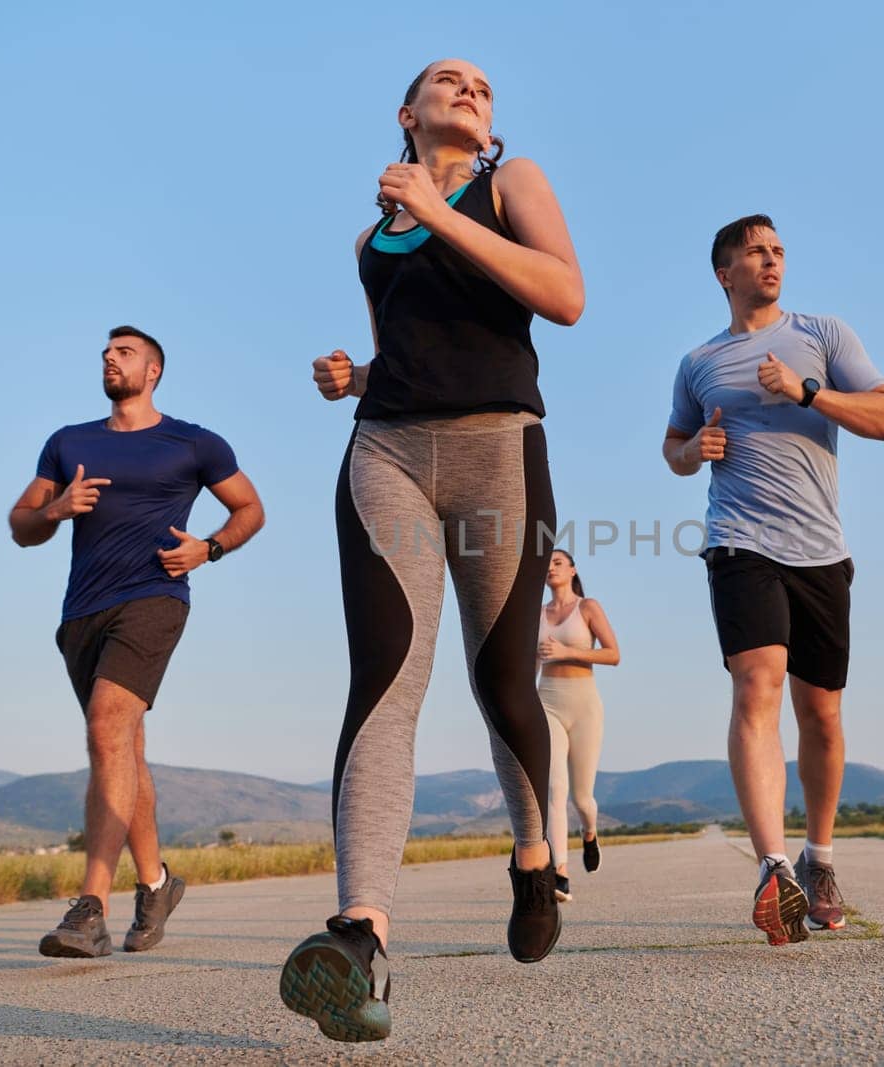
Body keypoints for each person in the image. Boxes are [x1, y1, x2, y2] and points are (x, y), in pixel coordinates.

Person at [279, 58, 584, 1043]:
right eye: (448, 82)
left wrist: (439, 207)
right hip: (388, 450)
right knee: (386, 678)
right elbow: (413, 349)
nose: (470, 91)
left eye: (483, 88)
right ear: (406, 113)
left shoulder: (510, 182)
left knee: (501, 684)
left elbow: (563, 296)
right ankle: (360, 933)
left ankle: (535, 854)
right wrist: (354, 373)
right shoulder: (376, 234)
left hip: (499, 449)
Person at [662, 215, 884, 946]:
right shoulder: (699, 362)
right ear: (724, 273)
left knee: (821, 713)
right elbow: (672, 447)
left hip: (821, 549)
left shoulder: (823, 336)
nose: (771, 261)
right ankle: (774, 869)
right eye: (755, 252)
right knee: (756, 683)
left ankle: (818, 856)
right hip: (740, 543)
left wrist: (807, 393)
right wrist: (693, 449)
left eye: (778, 251)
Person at [8, 325, 265, 958]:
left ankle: (89, 907)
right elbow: (20, 525)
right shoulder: (68, 443)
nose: (109, 359)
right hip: (81, 613)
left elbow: (250, 509)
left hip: (155, 597)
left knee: (105, 728)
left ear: (153, 371)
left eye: (123, 353)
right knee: (124, 748)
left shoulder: (193, 442)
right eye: (105, 352)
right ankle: (156, 883)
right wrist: (55, 509)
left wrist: (208, 548)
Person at [537, 549, 620, 901]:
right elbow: (531, 663)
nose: (550, 567)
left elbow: (613, 654)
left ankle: (589, 832)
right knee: (555, 791)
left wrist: (567, 652)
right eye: (546, 563)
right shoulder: (536, 614)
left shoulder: (588, 608)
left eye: (558, 562)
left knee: (582, 797)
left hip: (584, 706)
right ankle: (560, 873)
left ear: (572, 570)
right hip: (547, 702)